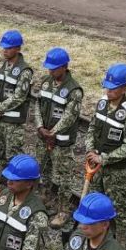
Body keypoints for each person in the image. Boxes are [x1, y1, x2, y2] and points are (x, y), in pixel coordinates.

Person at [86, 64, 126, 246]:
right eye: (107, 86)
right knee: (95, 204)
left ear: (124, 88)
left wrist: (104, 158)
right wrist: (90, 149)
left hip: (117, 174)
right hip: (97, 168)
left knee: (119, 212)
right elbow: (92, 128)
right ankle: (97, 238)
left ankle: (119, 245)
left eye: (113, 87)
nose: (108, 91)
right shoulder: (101, 103)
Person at [35, 47, 84, 229]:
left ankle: (63, 211)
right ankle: (44, 198)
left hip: (62, 143)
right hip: (44, 137)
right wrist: (40, 127)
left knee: (64, 179)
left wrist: (52, 133)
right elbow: (37, 106)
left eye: (54, 68)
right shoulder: (46, 82)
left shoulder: (74, 91)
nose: (50, 71)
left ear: (64, 67)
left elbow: (69, 117)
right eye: (49, 68)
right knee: (43, 170)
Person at [0, 30, 33, 179]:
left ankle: (13, 179)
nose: (5, 50)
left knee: (12, 152)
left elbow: (19, 97)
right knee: (0, 149)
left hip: (13, 121)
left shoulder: (25, 71)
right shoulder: (1, 64)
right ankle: (1, 176)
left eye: (8, 48)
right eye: (4, 47)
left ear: (18, 49)